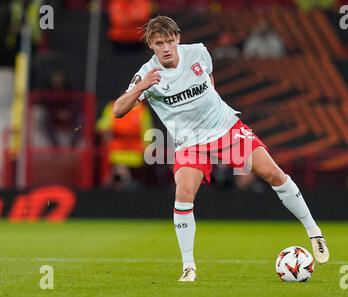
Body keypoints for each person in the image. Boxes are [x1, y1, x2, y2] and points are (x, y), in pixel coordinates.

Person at [113, 16, 329, 282]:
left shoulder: (199, 53)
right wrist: (142, 87)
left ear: (178, 38)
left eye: (170, 41)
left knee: (274, 174)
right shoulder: (147, 73)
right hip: (191, 142)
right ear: (151, 45)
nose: (166, 48)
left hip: (226, 128)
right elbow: (118, 110)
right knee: (183, 192)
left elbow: (209, 78)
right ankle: (188, 267)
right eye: (159, 43)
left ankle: (314, 231)